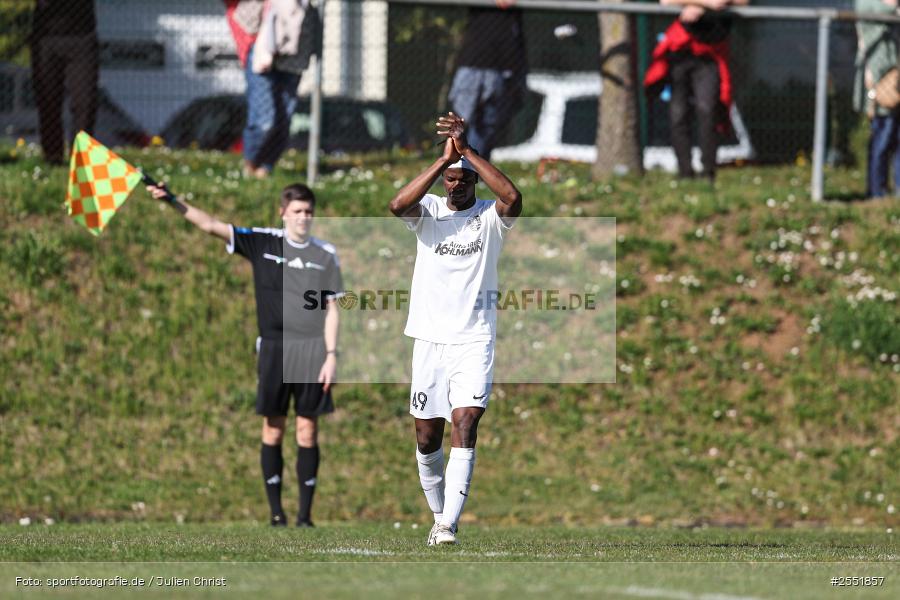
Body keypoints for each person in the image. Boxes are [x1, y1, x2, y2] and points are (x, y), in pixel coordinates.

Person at [146, 181, 342, 527]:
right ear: (283, 212)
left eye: (309, 212)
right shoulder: (261, 241)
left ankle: (304, 516)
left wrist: (331, 354)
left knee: (307, 431)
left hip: (311, 350)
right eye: (297, 211)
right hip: (273, 349)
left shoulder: (325, 253)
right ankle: (276, 514)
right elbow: (209, 225)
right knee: (273, 428)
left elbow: (333, 309)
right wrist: (173, 201)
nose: (303, 218)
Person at [389, 112, 522, 545]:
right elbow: (396, 205)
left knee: (466, 422)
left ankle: (447, 524)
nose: (456, 184)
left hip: (473, 339)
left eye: (463, 178)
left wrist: (467, 153)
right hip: (428, 339)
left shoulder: (489, 218)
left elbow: (514, 197)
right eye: (450, 178)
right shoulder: (427, 210)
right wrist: (442, 160)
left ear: (475, 182)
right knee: (428, 437)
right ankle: (437, 514)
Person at [649, 0, 748, 180]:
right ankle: (684, 172)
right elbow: (666, 1)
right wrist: (701, 3)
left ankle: (708, 172)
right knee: (678, 114)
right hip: (680, 51)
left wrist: (703, 7)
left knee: (707, 110)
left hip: (710, 55)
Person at [224, 0, 319, 178]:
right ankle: (250, 165)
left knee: (284, 119)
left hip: (297, 45)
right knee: (265, 120)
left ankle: (265, 170)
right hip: (262, 42)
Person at [448, 0, 527, 160]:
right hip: (474, 62)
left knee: (487, 123)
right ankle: (449, 167)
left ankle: (475, 170)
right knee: (460, 119)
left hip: (504, 66)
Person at [30, 0, 99, 165]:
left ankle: (81, 161)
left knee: (85, 102)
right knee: (48, 101)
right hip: (45, 38)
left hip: (82, 37)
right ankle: (53, 158)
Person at [854, 0, 900, 198]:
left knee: (897, 137)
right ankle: (876, 191)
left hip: (896, 75)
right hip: (878, 75)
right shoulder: (867, 4)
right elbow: (882, 9)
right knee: (883, 136)